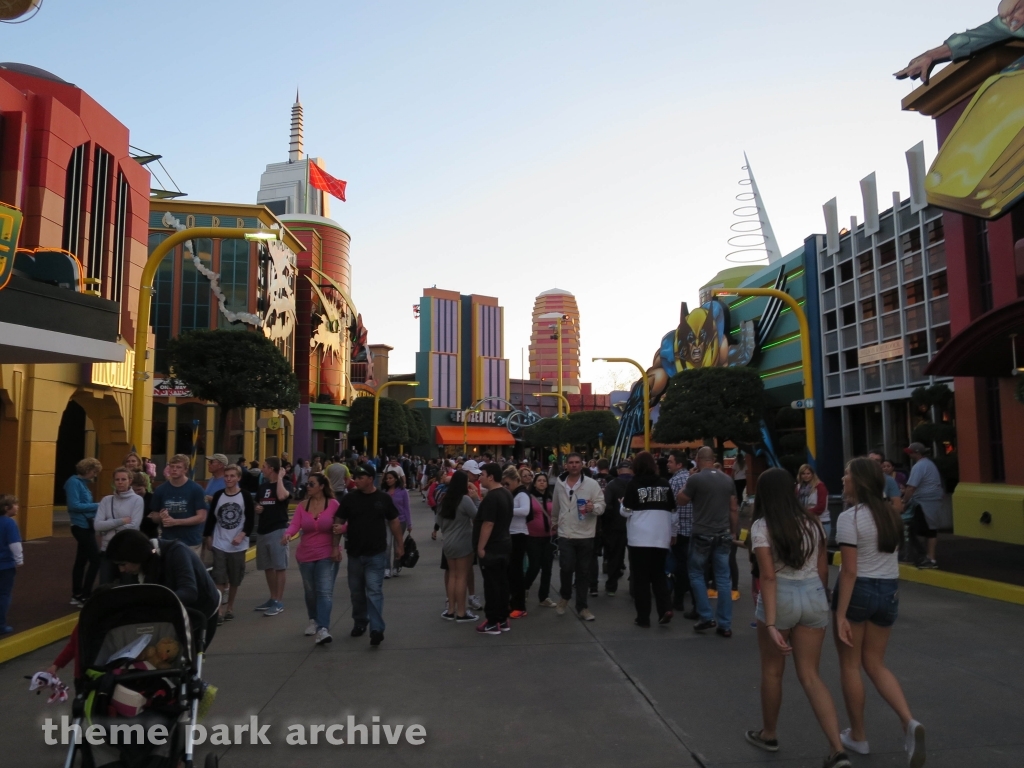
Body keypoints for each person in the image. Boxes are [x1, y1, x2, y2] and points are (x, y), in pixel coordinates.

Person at [745, 468, 849, 768]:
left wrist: (773, 623)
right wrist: (823, 596)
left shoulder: (763, 526)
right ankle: (836, 748)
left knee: (772, 671)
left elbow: (767, 576)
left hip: (782, 598)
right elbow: (823, 569)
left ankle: (769, 733)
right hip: (814, 594)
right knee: (811, 675)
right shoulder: (813, 522)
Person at [833, 458, 925, 768]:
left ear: (857, 482)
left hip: (859, 590)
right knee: (875, 662)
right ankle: (908, 721)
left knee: (850, 665)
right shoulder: (891, 516)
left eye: (847, 474)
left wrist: (840, 614)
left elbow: (849, 571)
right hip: (889, 590)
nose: (843, 478)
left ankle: (858, 736)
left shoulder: (850, 518)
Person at [106, 529, 221, 649]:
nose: (121, 570)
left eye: (123, 564)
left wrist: (154, 601)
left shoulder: (177, 552)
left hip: (202, 612)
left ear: (136, 555)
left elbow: (189, 592)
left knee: (187, 659)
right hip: (176, 616)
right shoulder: (143, 563)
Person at [333, 465, 404, 646]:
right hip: (355, 553)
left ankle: (376, 629)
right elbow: (338, 522)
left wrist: (399, 544)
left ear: (370, 479)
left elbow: (394, 521)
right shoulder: (349, 499)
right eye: (355, 477)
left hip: (376, 553)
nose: (355, 480)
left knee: (374, 591)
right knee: (357, 593)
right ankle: (360, 621)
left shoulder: (383, 498)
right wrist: (335, 546)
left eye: (360, 477)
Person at [677, 446, 738, 637]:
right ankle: (725, 624)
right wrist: (733, 532)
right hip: (722, 533)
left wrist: (688, 480)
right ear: (713, 459)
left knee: (696, 573)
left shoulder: (695, 479)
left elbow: (681, 500)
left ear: (698, 459)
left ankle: (705, 615)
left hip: (702, 532)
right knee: (722, 578)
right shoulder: (727, 480)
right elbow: (733, 508)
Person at [894, 0, 1024, 84]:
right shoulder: (1008, 25)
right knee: (1006, 80)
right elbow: (974, 38)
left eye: (1014, 15)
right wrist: (931, 55)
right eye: (1006, 19)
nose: (1010, 24)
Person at [283, 472, 340, 645]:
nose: (307, 487)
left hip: (327, 553)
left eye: (311, 484)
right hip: (306, 554)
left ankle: (323, 629)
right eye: (307, 484)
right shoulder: (302, 506)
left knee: (324, 591)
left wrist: (342, 529)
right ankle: (313, 620)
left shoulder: (333, 504)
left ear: (322, 486)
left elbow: (343, 523)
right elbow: (295, 524)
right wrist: (287, 534)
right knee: (310, 592)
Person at [620, 452, 675, 628]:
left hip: (639, 538)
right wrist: (673, 532)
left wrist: (622, 504)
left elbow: (626, 511)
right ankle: (665, 609)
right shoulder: (665, 485)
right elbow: (673, 512)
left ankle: (643, 617)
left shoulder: (633, 484)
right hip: (661, 536)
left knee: (641, 579)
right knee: (658, 575)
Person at [551, 453, 606, 621]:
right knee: (566, 567)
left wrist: (593, 507)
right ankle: (565, 596)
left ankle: (582, 607)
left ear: (582, 465)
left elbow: (601, 505)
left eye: (577, 462)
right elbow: (556, 505)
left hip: (585, 533)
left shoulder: (592, 484)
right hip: (565, 532)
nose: (574, 465)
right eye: (571, 463)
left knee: (583, 572)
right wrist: (554, 521)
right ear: (566, 465)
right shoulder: (559, 484)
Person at [203, 464, 254, 626]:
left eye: (232, 476)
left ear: (238, 478)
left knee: (234, 578)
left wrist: (242, 534)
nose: (229, 479)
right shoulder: (218, 495)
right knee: (219, 576)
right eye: (226, 476)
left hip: (238, 544)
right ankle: (218, 610)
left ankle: (229, 608)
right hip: (220, 542)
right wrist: (208, 536)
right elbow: (212, 517)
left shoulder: (244, 496)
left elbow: (251, 519)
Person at [474, 463, 514, 635]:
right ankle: (503, 618)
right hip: (505, 544)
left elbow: (488, 523)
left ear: (491, 477)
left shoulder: (492, 497)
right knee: (502, 583)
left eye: (482, 474)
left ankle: (492, 621)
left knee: (492, 585)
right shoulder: (506, 493)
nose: (479, 477)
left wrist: (481, 547)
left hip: (493, 547)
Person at [437, 471, 478, 622]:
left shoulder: (444, 500)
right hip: (463, 541)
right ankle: (461, 612)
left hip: (448, 542)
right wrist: (477, 499)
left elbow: (439, 521)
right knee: (462, 576)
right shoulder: (465, 500)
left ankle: (450, 610)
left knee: (452, 575)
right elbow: (477, 516)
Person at [254, 457, 292, 616]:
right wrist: (257, 508)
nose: (262, 469)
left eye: (264, 466)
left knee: (279, 566)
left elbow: (282, 496)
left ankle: (279, 601)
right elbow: (257, 503)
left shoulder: (286, 484)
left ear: (271, 468)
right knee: (267, 566)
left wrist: (281, 478)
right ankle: (272, 597)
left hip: (278, 529)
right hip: (263, 529)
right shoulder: (262, 487)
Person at [94, 467, 145, 584]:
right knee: (105, 585)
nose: (120, 482)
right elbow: (97, 526)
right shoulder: (106, 500)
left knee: (127, 585)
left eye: (123, 479)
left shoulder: (137, 500)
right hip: (107, 549)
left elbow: (134, 527)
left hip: (127, 550)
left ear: (130, 481)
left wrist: (108, 524)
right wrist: (121, 521)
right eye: (117, 480)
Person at [150, 454, 208, 555]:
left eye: (178, 467)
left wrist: (175, 522)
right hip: (168, 541)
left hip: (190, 541)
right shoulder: (160, 490)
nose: (174, 470)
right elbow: (154, 515)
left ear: (185, 470)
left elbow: (201, 517)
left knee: (190, 570)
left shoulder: (196, 489)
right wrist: (161, 517)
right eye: (172, 466)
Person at [66, 458, 102, 606]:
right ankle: (85, 594)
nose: (94, 475)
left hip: (84, 525)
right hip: (81, 526)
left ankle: (77, 593)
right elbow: (74, 505)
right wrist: (98, 505)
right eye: (94, 472)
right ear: (87, 470)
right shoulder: (74, 483)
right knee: (96, 559)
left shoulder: (79, 483)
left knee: (81, 560)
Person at [901, 442, 944, 569]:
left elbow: (911, 487)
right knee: (930, 530)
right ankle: (929, 557)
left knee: (913, 528)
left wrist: (904, 501)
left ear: (917, 453)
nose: (909, 455)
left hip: (924, 501)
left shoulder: (919, 466)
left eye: (911, 452)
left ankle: (925, 557)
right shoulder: (929, 464)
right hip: (932, 500)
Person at [666, 452, 694, 614]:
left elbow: (672, 509)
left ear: (679, 465)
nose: (667, 464)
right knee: (692, 565)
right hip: (694, 528)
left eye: (670, 461)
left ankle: (678, 599)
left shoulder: (674, 481)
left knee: (679, 565)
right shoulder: (693, 479)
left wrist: (672, 532)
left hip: (680, 531)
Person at [523, 473, 556, 607]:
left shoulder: (551, 497)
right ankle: (524, 587)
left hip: (549, 537)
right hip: (532, 537)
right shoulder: (528, 497)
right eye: (539, 481)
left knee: (547, 568)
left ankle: (544, 597)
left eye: (544, 480)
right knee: (534, 566)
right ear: (534, 483)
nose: (542, 483)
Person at [503, 466, 532, 619]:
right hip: (513, 533)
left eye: (507, 483)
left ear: (515, 480)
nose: (506, 487)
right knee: (512, 571)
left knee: (516, 572)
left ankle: (519, 605)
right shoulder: (515, 493)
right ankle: (514, 603)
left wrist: (507, 509)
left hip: (519, 535)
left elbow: (525, 511)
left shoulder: (522, 494)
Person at [601, 459, 633, 597]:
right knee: (635, 558)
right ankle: (634, 587)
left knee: (615, 557)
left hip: (616, 526)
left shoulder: (612, 485)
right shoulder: (636, 483)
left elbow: (606, 505)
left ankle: (611, 587)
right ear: (632, 470)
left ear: (619, 471)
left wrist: (606, 524)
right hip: (635, 527)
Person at [382, 469, 411, 577]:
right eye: (387, 478)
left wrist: (409, 524)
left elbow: (406, 508)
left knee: (397, 544)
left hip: (400, 520)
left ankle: (396, 566)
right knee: (387, 544)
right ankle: (387, 568)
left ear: (395, 479)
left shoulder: (403, 491)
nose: (388, 480)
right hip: (386, 521)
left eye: (391, 478)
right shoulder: (384, 492)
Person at [0, 494, 22, 636]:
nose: (17, 507)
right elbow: (15, 544)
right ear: (7, 508)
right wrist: (19, 560)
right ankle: (1, 625)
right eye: (15, 504)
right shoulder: (9, 523)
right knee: (4, 594)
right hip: (5, 565)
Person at [796, 464, 830, 538]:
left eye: (808, 473)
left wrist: (804, 513)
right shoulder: (798, 487)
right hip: (804, 522)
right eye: (803, 474)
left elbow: (821, 507)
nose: (806, 476)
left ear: (812, 474)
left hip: (821, 521)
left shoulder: (820, 486)